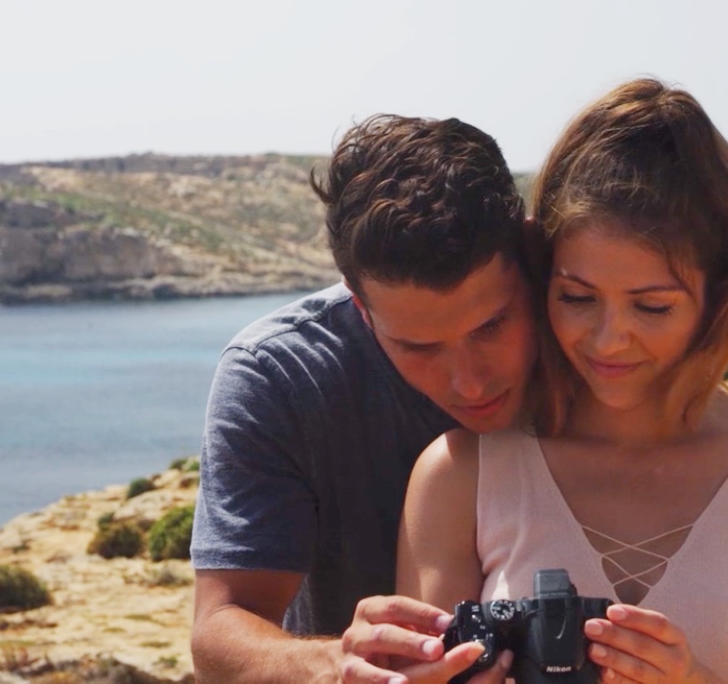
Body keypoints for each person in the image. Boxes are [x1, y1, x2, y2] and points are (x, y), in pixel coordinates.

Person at [398, 78, 728, 683]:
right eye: (577, 296)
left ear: (718, 294)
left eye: (651, 307)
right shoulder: (462, 474)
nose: (607, 339)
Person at [191, 114, 539, 683]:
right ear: (359, 306)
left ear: (530, 254)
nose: (470, 382)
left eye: (491, 327)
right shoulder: (277, 375)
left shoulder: (598, 332)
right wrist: (336, 664)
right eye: (417, 347)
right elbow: (219, 632)